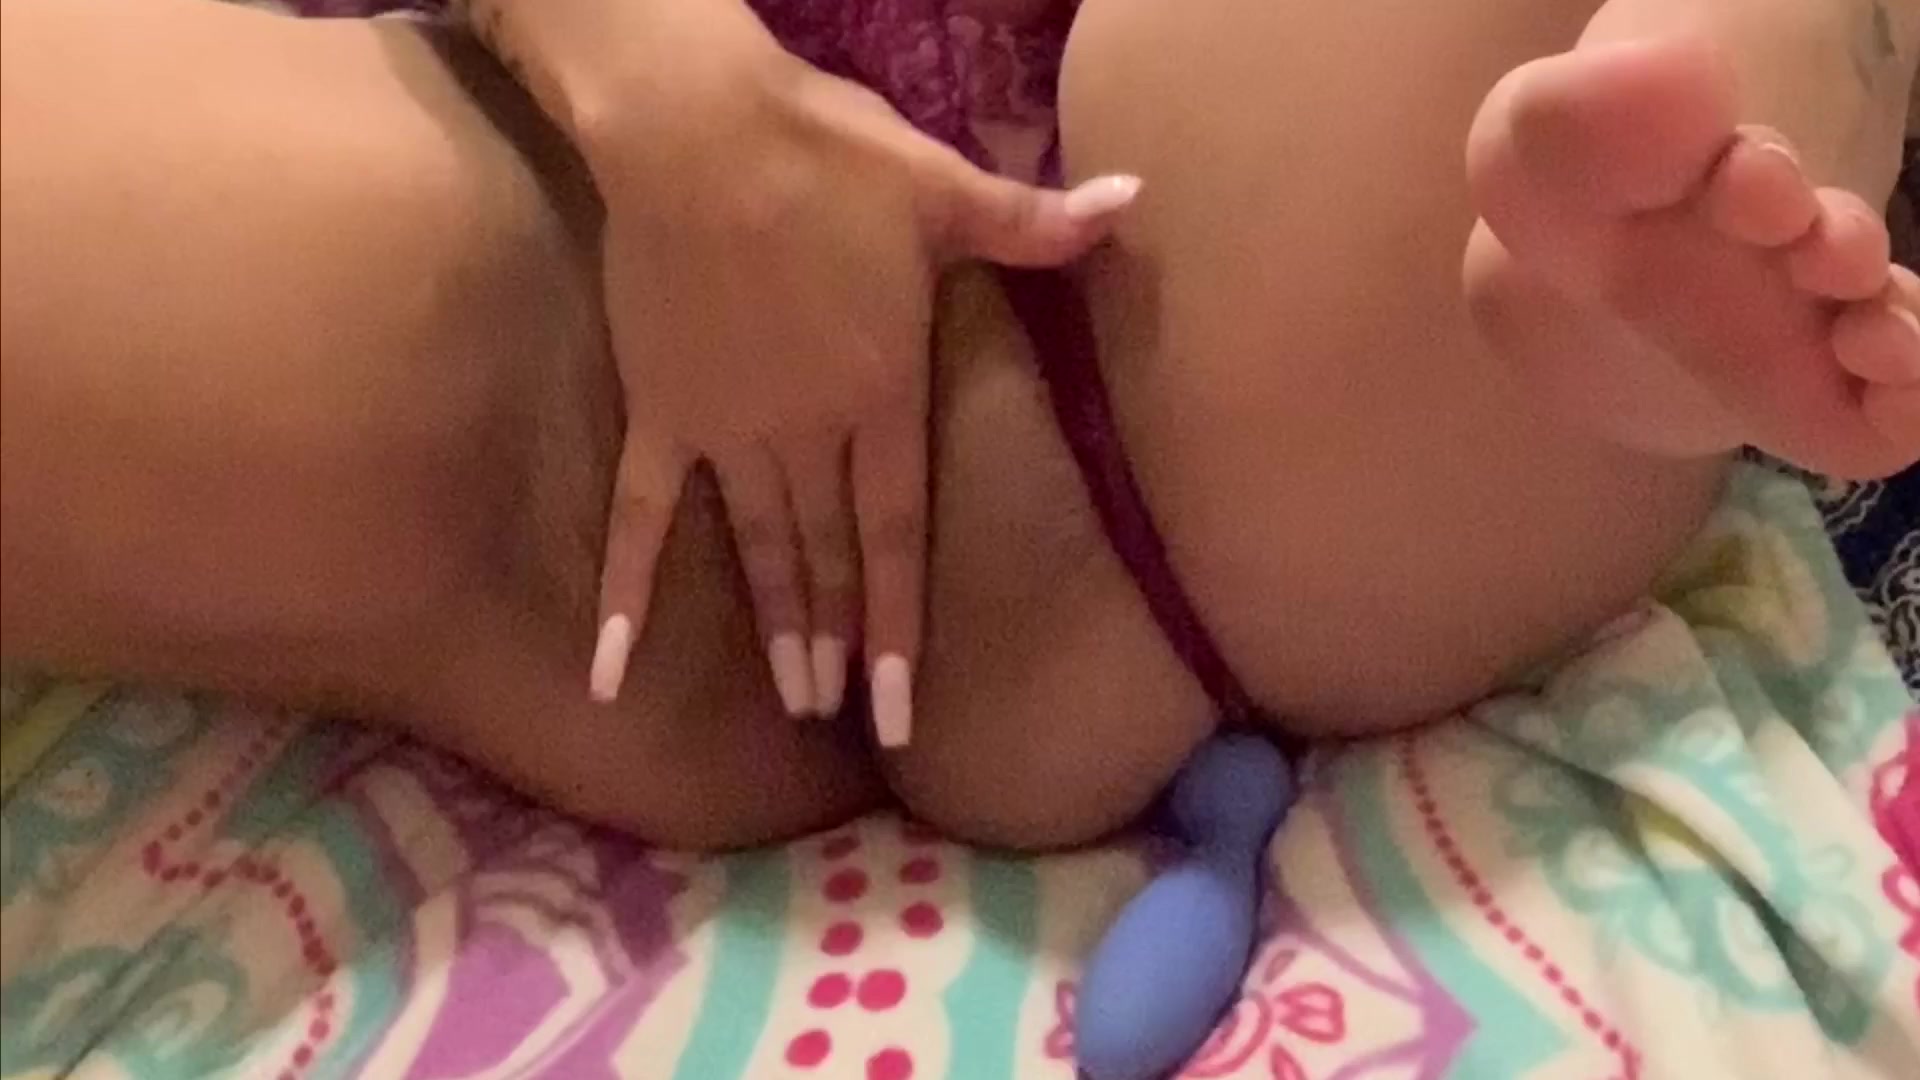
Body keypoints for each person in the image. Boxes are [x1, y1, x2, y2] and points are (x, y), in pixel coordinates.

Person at [2, 0, 1914, 854]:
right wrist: (668, 95)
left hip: (1249, 270)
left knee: (1598, 114)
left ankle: (1674, 206)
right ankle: (1670, 213)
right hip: (610, 338)